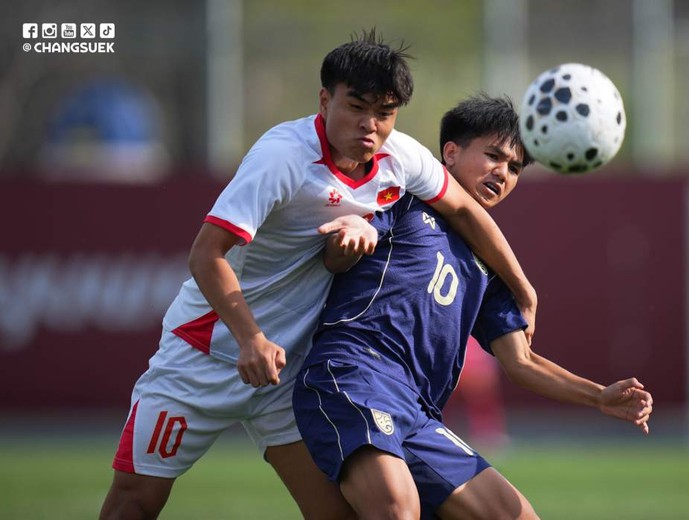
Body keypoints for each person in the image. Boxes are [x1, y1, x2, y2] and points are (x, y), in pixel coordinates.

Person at [100, 30, 539, 519]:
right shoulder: (281, 158)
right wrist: (250, 338)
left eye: (385, 112)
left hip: (290, 372)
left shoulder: (401, 157)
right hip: (205, 354)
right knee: (134, 503)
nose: (370, 125)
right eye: (357, 107)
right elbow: (206, 255)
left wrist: (522, 287)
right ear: (325, 100)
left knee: (343, 513)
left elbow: (464, 210)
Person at [294, 94, 654, 519]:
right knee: (396, 508)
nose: (503, 173)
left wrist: (598, 397)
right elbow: (337, 254)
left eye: (515, 168)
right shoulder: (404, 195)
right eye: (494, 156)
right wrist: (349, 238)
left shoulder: (490, 270)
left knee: (515, 515)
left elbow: (522, 362)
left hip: (418, 412)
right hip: (355, 374)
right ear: (450, 152)